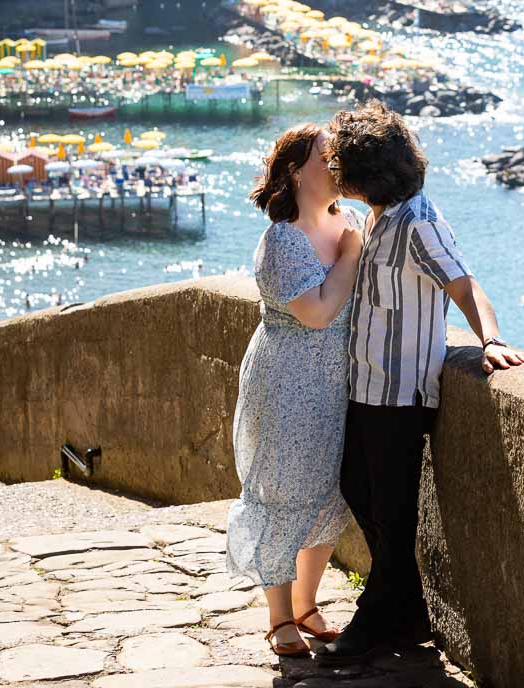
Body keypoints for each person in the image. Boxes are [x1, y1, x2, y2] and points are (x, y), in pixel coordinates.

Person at [319, 101, 524, 663]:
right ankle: (406, 611)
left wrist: (490, 340)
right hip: (363, 385)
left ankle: (375, 622)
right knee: (357, 489)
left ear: (366, 174)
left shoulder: (420, 222)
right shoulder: (377, 217)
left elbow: (465, 288)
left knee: (392, 512)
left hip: (400, 394)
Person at [226, 123, 364, 659]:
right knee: (282, 492)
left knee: (329, 493)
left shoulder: (345, 219)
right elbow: (318, 312)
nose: (336, 167)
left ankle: (306, 604)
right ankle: (279, 617)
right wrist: (352, 253)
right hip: (286, 381)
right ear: (294, 170)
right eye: (326, 158)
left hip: (337, 380)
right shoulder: (283, 239)